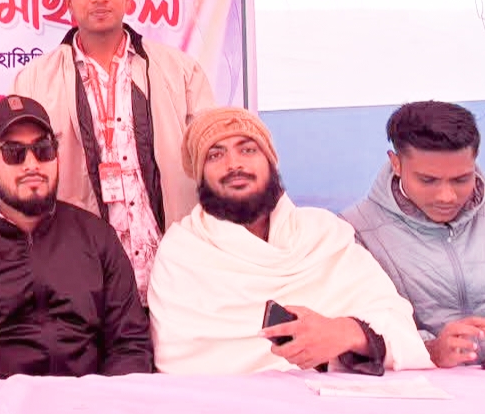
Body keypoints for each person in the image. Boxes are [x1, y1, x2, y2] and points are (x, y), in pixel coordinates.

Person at [0, 0, 216, 304]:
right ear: (68, 2)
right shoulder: (36, 79)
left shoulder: (179, 71)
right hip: (81, 277)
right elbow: (6, 160)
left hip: (176, 271)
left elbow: (216, 159)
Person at [148, 107, 432, 375]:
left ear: (271, 163)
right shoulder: (183, 250)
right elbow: (178, 358)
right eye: (215, 155)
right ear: (200, 177)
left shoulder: (324, 235)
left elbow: (396, 324)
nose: (234, 164)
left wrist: (347, 333)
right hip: (222, 404)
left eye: (247, 150)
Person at [0, 95, 152, 379]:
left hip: (87, 399)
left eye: (43, 150)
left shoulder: (97, 238)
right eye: (14, 153)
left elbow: (130, 345)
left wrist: (104, 400)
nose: (32, 164)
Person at [342, 101, 485, 370]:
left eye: (461, 179)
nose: (447, 196)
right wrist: (429, 350)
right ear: (396, 163)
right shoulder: (354, 231)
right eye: (428, 180)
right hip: (415, 386)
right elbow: (361, 332)